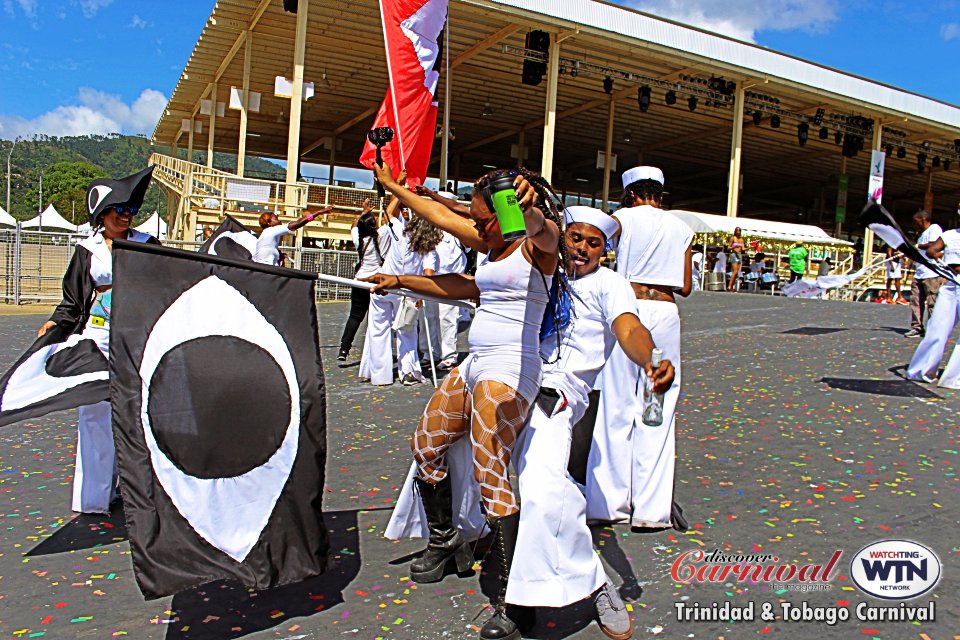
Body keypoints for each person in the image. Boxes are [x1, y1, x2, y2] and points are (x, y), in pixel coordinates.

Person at [371, 163, 562, 640]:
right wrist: (400, 276)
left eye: (481, 214)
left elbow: (546, 231)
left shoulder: (537, 247)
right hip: (475, 361)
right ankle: (445, 540)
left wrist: (531, 210)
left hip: (512, 368)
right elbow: (445, 233)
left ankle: (516, 602)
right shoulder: (491, 245)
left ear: (501, 208)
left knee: (489, 466)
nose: (473, 223)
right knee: (426, 447)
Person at [507, 206, 675, 639]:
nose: (581, 248)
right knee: (448, 454)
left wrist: (652, 360)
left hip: (557, 395)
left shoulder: (610, 285)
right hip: (505, 378)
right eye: (575, 238)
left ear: (606, 250)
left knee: (543, 491)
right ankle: (448, 539)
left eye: (593, 242)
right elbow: (500, 227)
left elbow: (629, 328)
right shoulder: (538, 266)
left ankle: (572, 590)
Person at [36, 167, 160, 514]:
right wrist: (55, 322)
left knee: (140, 415)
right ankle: (94, 497)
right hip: (98, 338)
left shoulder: (147, 246)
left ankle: (138, 492)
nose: (125, 216)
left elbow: (171, 286)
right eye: (118, 209)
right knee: (94, 415)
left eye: (130, 210)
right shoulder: (86, 250)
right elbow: (72, 300)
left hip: (139, 340)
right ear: (101, 213)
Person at [587, 166, 692, 531]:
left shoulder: (621, 218)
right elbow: (686, 285)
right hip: (665, 311)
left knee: (616, 405)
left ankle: (607, 504)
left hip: (627, 307)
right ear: (659, 195)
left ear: (629, 193)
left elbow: (591, 248)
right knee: (657, 407)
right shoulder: (681, 227)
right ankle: (651, 511)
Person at [905, 229, 960, 387]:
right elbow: (931, 250)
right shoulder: (949, 235)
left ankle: (954, 378)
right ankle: (922, 371)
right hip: (951, 283)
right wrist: (935, 253)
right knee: (936, 327)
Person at [338, 198, 381, 361]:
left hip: (359, 281)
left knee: (355, 316)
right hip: (375, 282)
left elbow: (354, 227)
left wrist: (363, 213)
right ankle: (373, 353)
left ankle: (344, 349)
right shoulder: (381, 239)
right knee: (375, 319)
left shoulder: (359, 242)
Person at [905, 209, 944, 338]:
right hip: (920, 272)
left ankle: (934, 329)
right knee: (915, 301)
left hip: (931, 272)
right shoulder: (922, 235)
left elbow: (934, 245)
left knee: (932, 302)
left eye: (917, 221)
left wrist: (918, 246)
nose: (916, 224)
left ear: (923, 219)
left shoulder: (935, 229)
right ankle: (917, 327)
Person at [253, 206, 331, 266]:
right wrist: (318, 212)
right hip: (266, 271)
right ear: (269, 223)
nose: (279, 220)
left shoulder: (266, 235)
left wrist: (279, 254)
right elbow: (298, 224)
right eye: (276, 219)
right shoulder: (271, 230)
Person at [727, 227, 744, 291]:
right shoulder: (733, 238)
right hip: (734, 254)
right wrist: (733, 247)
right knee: (735, 271)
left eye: (739, 231)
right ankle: (729, 286)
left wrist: (749, 247)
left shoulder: (742, 239)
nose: (738, 232)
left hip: (739, 255)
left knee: (737, 272)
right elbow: (728, 247)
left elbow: (743, 249)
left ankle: (732, 286)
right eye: (737, 231)